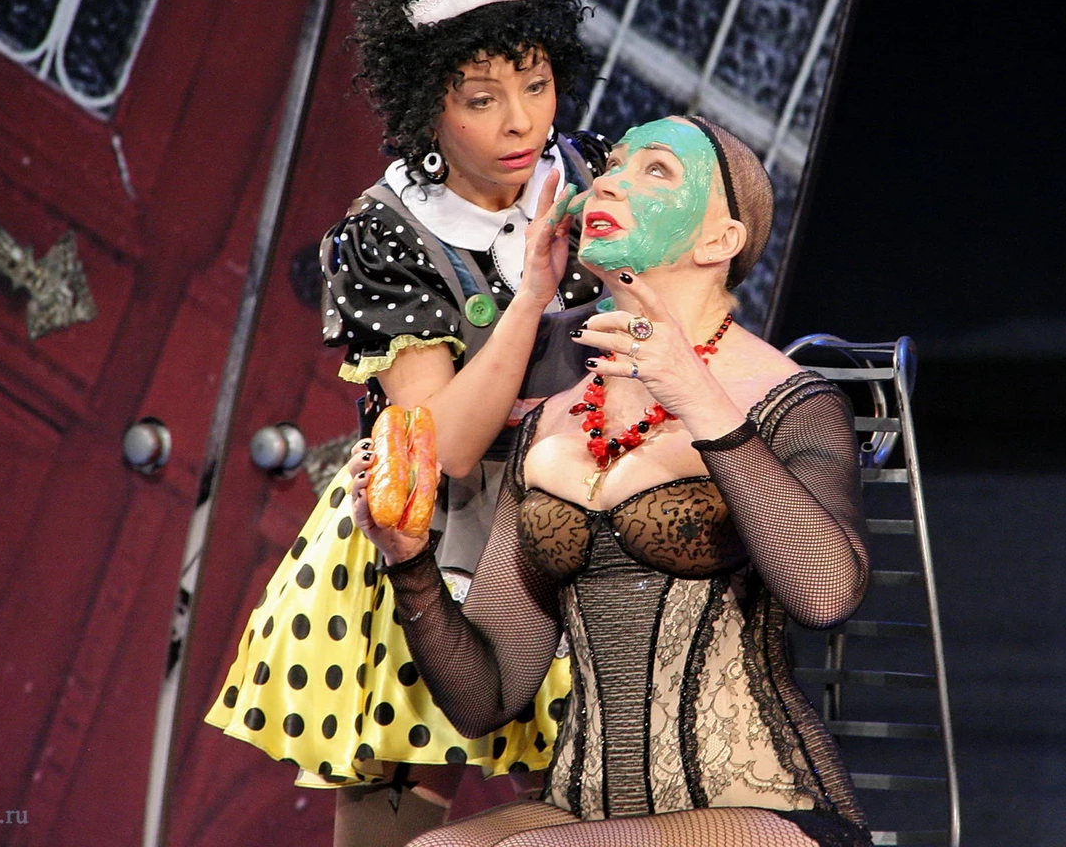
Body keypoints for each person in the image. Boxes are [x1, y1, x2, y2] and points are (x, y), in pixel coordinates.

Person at [351, 116, 874, 847]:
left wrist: (698, 399)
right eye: (613, 166)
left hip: (769, 810)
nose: (611, 183)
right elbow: (487, 697)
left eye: (655, 170)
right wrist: (408, 560)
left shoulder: (785, 400)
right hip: (583, 811)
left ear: (719, 240)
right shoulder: (554, 421)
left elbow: (825, 595)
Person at [205, 0, 607, 845]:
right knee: (398, 809)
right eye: (482, 99)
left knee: (597, 804)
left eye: (536, 84)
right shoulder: (388, 231)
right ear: (431, 107)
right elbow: (444, 447)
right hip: (438, 539)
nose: (520, 121)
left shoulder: (595, 176)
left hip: (582, 532)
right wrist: (530, 296)